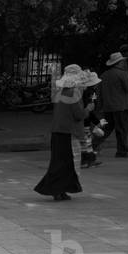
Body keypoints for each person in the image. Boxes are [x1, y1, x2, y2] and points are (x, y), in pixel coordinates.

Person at [34, 69, 85, 201]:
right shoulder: (74, 94)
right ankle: (56, 189)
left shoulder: (61, 93)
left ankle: (60, 190)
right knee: (66, 163)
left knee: (60, 163)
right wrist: (89, 109)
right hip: (67, 132)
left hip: (58, 131)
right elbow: (79, 115)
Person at [99, 52, 128, 157]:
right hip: (122, 106)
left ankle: (92, 146)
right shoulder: (122, 73)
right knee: (122, 129)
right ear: (119, 63)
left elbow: (100, 92)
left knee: (106, 128)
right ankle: (122, 151)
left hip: (109, 106)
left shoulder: (104, 75)